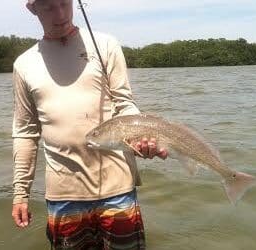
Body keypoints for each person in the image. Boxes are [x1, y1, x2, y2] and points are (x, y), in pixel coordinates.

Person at [11, 0, 168, 249]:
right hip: (64, 195)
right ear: (33, 9)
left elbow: (125, 104)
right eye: (49, 7)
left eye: (65, 3)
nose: (60, 14)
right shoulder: (24, 64)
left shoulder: (106, 45)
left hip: (117, 189)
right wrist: (20, 193)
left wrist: (142, 137)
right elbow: (25, 132)